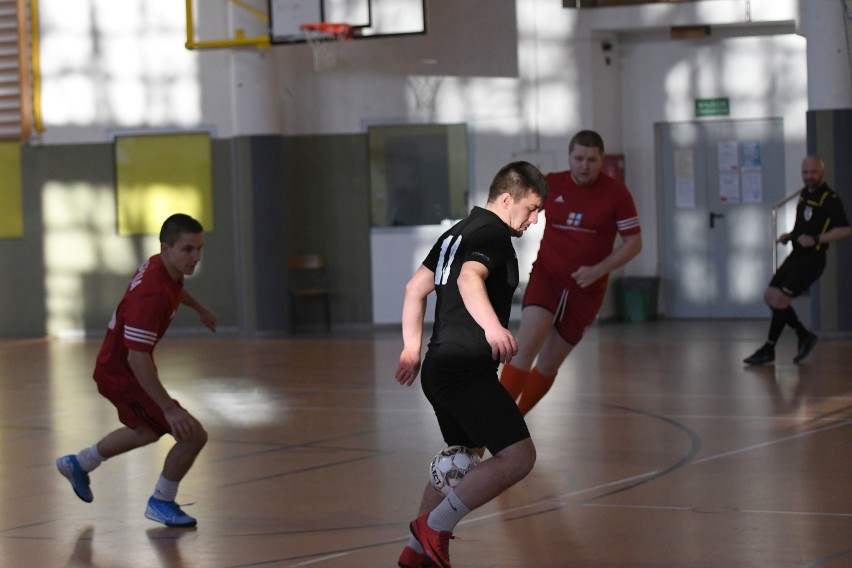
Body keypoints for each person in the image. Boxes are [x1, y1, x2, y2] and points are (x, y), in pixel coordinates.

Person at [395, 161, 548, 568]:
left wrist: (411, 349)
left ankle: (414, 554)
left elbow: (415, 288)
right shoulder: (493, 234)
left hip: (440, 367)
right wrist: (494, 328)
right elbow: (468, 279)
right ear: (505, 199)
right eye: (531, 209)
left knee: (462, 457)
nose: (534, 220)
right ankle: (434, 529)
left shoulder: (456, 233)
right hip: (463, 370)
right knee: (519, 457)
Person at [56, 213, 218, 527]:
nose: (196, 257)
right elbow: (136, 359)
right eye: (188, 250)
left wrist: (199, 308)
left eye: (200, 248)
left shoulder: (163, 267)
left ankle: (79, 463)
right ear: (165, 247)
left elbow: (176, 288)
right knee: (192, 434)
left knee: (145, 431)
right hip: (123, 373)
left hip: (118, 366)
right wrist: (169, 409)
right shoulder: (151, 295)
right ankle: (161, 501)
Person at [499, 130, 642, 415]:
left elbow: (634, 243)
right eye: (579, 158)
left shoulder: (617, 194)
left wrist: (599, 269)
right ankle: (486, 429)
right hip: (548, 279)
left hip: (586, 290)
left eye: (591, 159)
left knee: (550, 362)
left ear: (601, 160)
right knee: (525, 349)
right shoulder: (552, 184)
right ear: (570, 157)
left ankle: (513, 421)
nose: (584, 165)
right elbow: (518, 213)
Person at [743, 155, 851, 365]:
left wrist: (817, 238)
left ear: (822, 173)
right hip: (796, 255)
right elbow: (804, 225)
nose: (809, 177)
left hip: (812, 260)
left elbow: (845, 229)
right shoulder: (804, 194)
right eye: (805, 172)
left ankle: (769, 348)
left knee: (781, 300)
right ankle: (804, 335)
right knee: (770, 296)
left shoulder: (830, 198)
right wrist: (790, 236)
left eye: (813, 172)